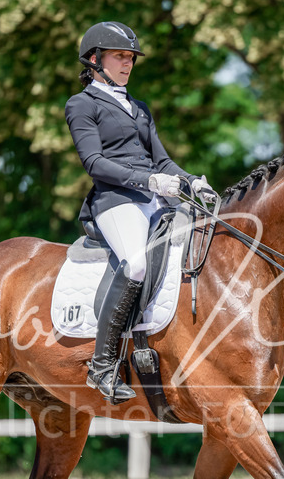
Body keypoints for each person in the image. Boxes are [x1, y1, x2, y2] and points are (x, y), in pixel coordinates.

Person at [66, 21, 216, 403]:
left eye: (130, 57)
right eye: (120, 56)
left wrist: (192, 181)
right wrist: (147, 182)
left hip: (155, 199)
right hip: (115, 201)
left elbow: (162, 161)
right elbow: (95, 163)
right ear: (95, 60)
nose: (128, 63)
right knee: (135, 264)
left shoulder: (139, 107)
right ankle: (101, 366)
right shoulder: (82, 104)